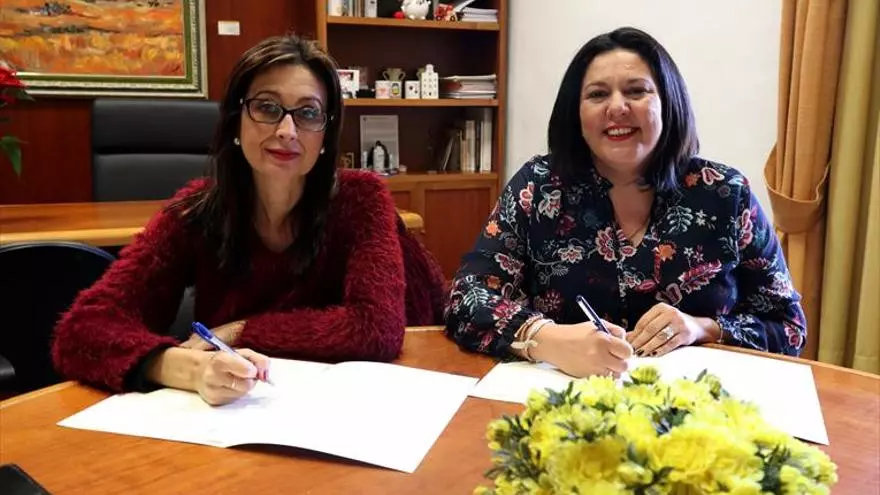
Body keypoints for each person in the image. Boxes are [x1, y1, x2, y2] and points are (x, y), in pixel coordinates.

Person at [52, 34, 446, 405]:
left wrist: (240, 330)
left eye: (308, 113)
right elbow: (81, 331)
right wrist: (185, 368)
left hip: (377, 398)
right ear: (236, 120)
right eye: (267, 108)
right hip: (242, 410)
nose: (287, 131)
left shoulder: (361, 199)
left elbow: (376, 329)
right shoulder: (196, 213)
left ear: (326, 135)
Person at [444, 27, 806, 378]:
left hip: (694, 405)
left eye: (636, 91)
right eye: (597, 94)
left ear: (668, 102)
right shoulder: (538, 186)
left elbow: (788, 327)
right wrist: (544, 339)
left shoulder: (726, 193)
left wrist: (703, 328)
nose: (617, 107)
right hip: (563, 397)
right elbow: (466, 298)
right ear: (576, 112)